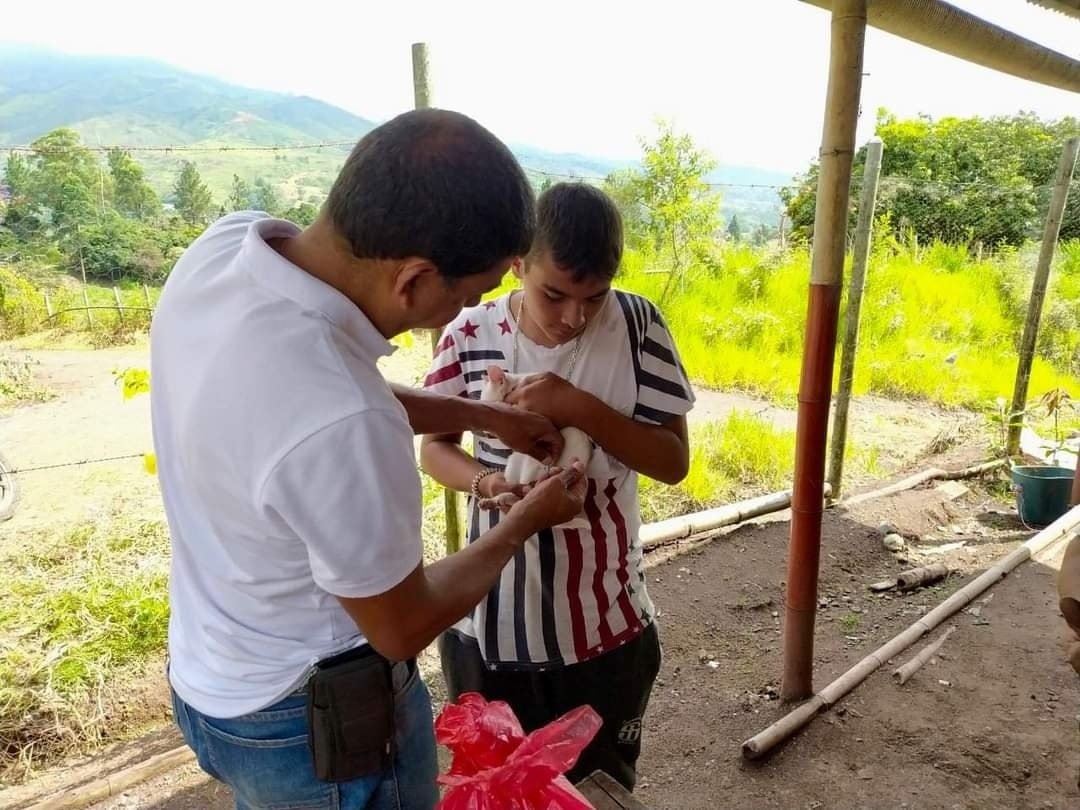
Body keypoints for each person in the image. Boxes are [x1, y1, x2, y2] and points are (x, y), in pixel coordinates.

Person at [150, 109, 586, 810]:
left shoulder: (224, 250)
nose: (461, 312)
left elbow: (317, 401)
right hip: (314, 728)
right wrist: (523, 522)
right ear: (414, 278)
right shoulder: (344, 418)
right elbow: (401, 624)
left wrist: (484, 415)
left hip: (210, 681)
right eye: (466, 295)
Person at [420, 182, 695, 790]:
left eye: (594, 297)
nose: (575, 317)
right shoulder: (470, 332)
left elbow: (673, 462)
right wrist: (488, 482)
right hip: (490, 621)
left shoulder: (637, 326)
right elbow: (434, 448)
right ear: (518, 264)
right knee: (498, 789)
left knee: (597, 787)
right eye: (554, 295)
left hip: (603, 620)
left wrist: (578, 406)